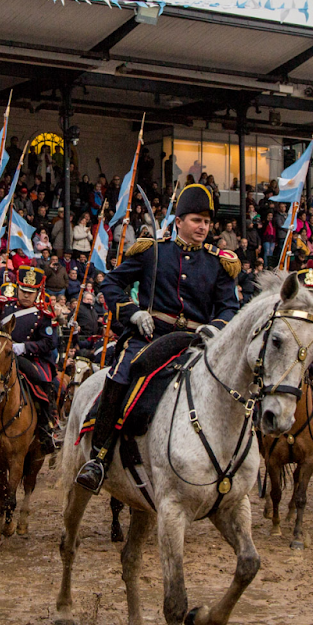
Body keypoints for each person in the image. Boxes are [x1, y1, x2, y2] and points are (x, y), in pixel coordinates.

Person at [76, 183, 241, 492]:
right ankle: (98, 457)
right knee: (122, 373)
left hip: (197, 342)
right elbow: (111, 283)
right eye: (195, 220)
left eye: (206, 221)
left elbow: (230, 306)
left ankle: (239, 459)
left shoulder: (219, 263)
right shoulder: (153, 251)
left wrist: (216, 327)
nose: (202, 227)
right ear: (178, 221)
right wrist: (133, 312)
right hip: (151, 336)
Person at [0, 264, 60, 452]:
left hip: (28, 358)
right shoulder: (6, 305)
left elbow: (48, 343)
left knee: (41, 382)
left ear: (38, 292)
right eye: (23, 290)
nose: (26, 295)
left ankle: (46, 426)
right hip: (0, 356)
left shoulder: (43, 314)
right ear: (18, 287)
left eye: (31, 292)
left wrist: (24, 347)